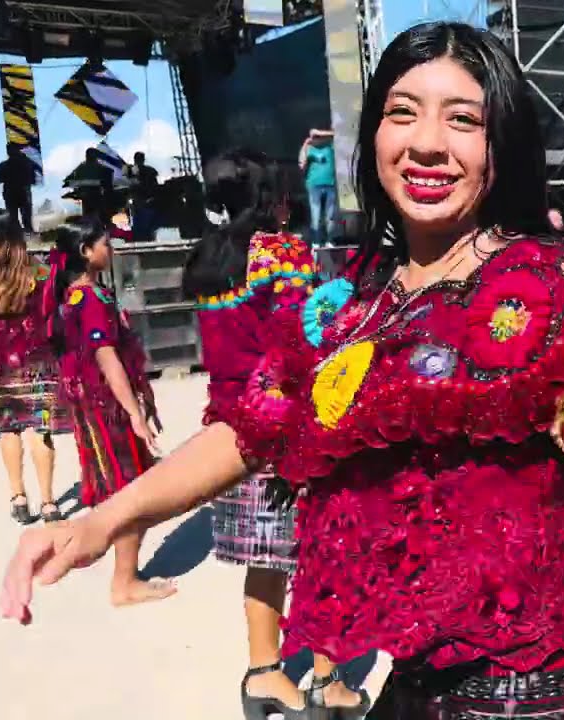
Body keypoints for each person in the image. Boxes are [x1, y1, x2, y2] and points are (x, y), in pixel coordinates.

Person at [1, 23, 564, 720]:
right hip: (414, 687)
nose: (426, 142)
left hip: (538, 697)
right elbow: (250, 429)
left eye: (463, 120)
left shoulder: (553, 284)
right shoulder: (354, 307)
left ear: (500, 146)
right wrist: (98, 522)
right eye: (402, 112)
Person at [185, 149, 364, 719]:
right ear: (273, 197)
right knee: (322, 550)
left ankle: (263, 672)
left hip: (231, 429)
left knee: (267, 557)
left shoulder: (208, 256)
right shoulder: (281, 252)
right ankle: (326, 679)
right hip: (286, 427)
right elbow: (302, 335)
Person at [44, 215, 175, 606]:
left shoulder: (75, 297)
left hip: (92, 404)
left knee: (121, 489)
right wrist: (134, 411)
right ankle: (124, 582)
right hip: (107, 407)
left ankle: (124, 574)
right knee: (130, 491)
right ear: (86, 252)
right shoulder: (91, 299)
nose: (110, 249)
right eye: (104, 243)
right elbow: (107, 358)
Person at [0, 213, 68, 525]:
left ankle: (19, 497)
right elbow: (55, 310)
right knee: (41, 431)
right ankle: (49, 502)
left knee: (8, 429)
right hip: (39, 362)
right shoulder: (42, 273)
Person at [299, 129, 337, 247]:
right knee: (316, 215)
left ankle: (329, 240)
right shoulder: (310, 149)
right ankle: (316, 241)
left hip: (329, 184)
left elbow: (336, 134)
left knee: (330, 215)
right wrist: (306, 144)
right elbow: (302, 164)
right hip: (314, 185)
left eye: (318, 137)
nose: (316, 138)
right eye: (315, 137)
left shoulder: (330, 147)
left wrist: (318, 133)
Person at [0, 143, 34, 233]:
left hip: (13, 193)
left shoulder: (4, 165)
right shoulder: (26, 162)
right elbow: (32, 178)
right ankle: (24, 235)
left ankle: (20, 236)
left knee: (15, 218)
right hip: (20, 193)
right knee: (22, 217)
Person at [125, 152, 160, 242]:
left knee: (136, 223)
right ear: (143, 159)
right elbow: (155, 186)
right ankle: (146, 237)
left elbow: (127, 185)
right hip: (145, 200)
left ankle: (138, 237)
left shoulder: (130, 171)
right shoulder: (150, 171)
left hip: (138, 200)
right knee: (146, 224)